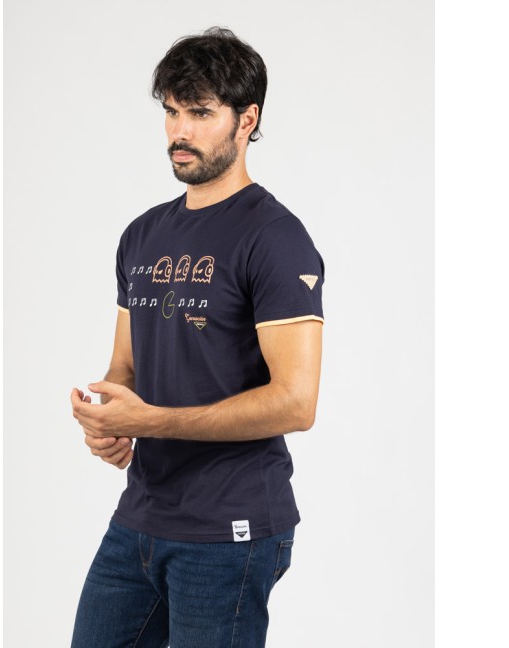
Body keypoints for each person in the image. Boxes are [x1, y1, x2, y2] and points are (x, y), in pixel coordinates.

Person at [70, 26, 325, 648]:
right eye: (172, 111)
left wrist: (150, 421)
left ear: (246, 120)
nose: (179, 132)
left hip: (230, 529)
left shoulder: (275, 238)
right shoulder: (142, 235)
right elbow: (126, 366)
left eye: (201, 113)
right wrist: (109, 419)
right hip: (141, 517)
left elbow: (297, 403)